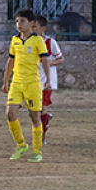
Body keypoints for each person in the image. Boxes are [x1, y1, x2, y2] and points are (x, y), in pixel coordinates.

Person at [3, 9, 51, 163]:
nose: (19, 24)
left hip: (32, 84)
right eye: (17, 21)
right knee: (10, 114)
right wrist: (5, 81)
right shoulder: (14, 40)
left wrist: (48, 79)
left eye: (22, 21)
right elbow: (11, 61)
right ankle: (21, 145)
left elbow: (45, 60)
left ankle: (37, 151)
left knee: (34, 116)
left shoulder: (38, 40)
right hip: (16, 82)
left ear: (31, 23)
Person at [32, 14, 63, 145]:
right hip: (33, 81)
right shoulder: (29, 42)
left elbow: (61, 59)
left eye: (35, 26)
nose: (32, 29)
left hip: (47, 82)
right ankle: (45, 120)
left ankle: (41, 137)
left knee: (41, 107)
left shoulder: (51, 43)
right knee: (35, 110)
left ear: (42, 28)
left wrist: (51, 63)